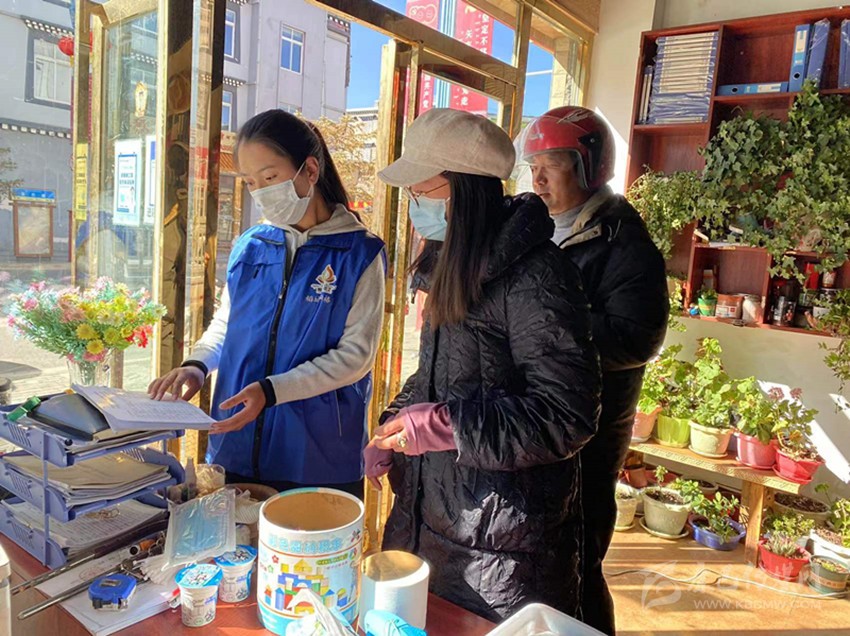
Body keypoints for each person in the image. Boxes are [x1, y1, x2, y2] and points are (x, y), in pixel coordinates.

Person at [364, 108, 601, 622]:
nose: (413, 202)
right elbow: (437, 374)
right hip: (429, 512)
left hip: (503, 545)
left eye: (421, 191)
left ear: (462, 191)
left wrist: (447, 425)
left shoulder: (537, 276)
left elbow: (567, 414)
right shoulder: (449, 260)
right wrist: (395, 422)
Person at [148, 110, 386, 500]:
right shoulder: (252, 245)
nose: (260, 192)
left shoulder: (359, 253)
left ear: (310, 170)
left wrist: (272, 391)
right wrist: (197, 365)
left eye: (270, 177)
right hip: (236, 441)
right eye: (250, 182)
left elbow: (355, 357)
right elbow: (227, 323)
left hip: (317, 455)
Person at [518, 106, 669, 635]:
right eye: (533, 166)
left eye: (552, 165)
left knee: (579, 558)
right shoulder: (538, 230)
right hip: (544, 416)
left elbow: (637, 337)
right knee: (542, 555)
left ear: (589, 166)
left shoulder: (623, 240)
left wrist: (547, 330)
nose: (538, 179)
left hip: (593, 426)